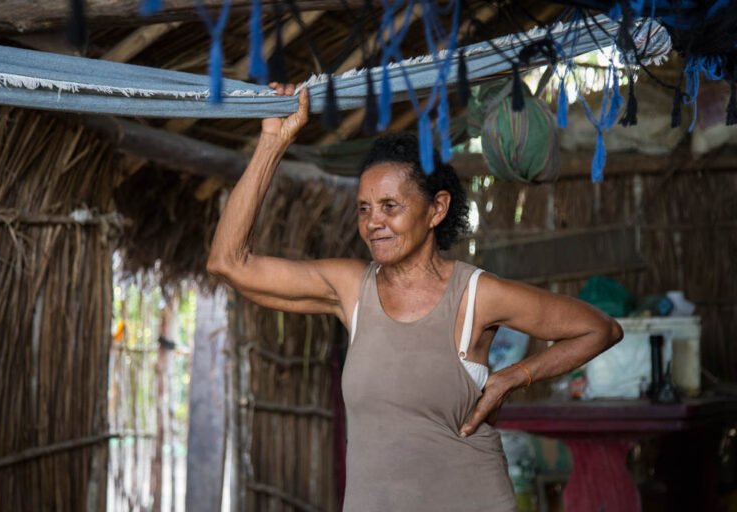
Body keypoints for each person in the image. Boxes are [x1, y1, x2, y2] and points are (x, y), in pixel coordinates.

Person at [207, 83, 624, 511]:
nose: (374, 223)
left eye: (391, 206)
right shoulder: (353, 289)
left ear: (436, 209)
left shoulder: (476, 295)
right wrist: (274, 142)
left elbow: (599, 329)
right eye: (364, 208)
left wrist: (513, 378)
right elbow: (228, 262)